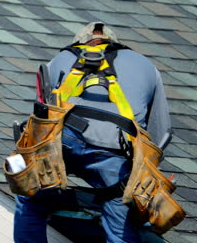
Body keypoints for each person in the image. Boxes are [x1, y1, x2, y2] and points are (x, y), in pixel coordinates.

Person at [13, 22, 172, 243]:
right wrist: (137, 181)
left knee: (31, 195)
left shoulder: (60, 59)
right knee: (120, 221)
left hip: (64, 139)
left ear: (79, 43)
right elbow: (160, 134)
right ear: (115, 43)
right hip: (116, 149)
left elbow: (40, 122)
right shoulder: (146, 66)